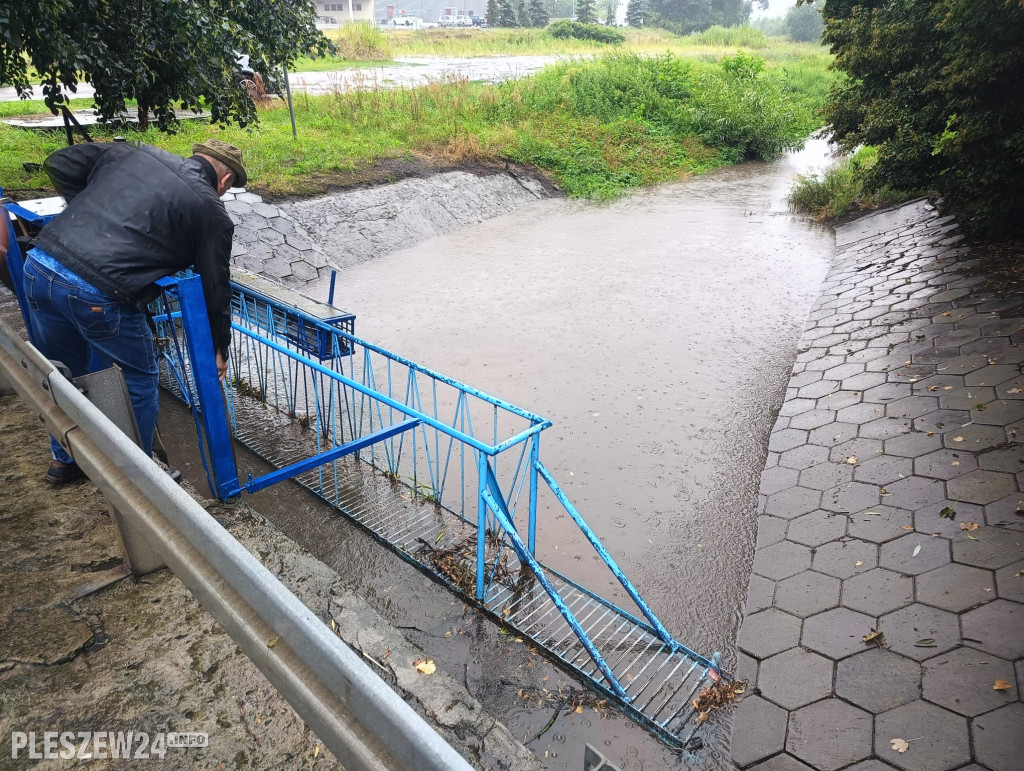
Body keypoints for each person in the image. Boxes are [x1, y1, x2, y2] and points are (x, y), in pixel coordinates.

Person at [22, 138, 246, 485]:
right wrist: (220, 348)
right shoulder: (209, 210)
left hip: (40, 265)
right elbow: (214, 287)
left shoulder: (135, 151)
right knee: (138, 377)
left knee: (62, 373)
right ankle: (134, 477)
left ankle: (65, 460)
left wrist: (85, 213)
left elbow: (61, 161)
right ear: (226, 180)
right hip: (95, 292)